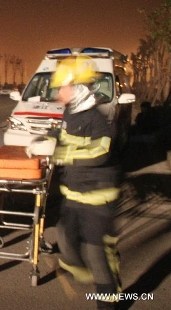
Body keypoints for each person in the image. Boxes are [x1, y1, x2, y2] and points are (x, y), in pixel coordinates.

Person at [46, 56, 122, 309]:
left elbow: (100, 154)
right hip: (74, 193)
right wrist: (49, 138)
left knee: (95, 254)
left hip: (97, 197)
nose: (59, 94)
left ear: (78, 88)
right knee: (65, 240)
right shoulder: (71, 111)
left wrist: (60, 154)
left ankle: (108, 299)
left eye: (63, 88)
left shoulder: (99, 119)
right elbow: (67, 136)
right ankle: (92, 275)